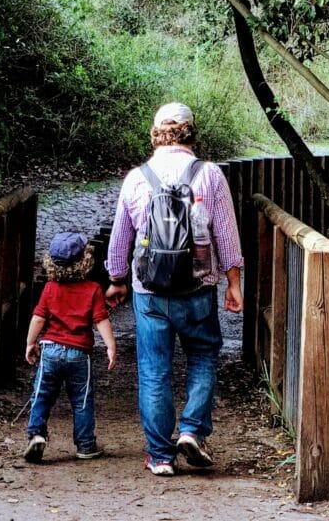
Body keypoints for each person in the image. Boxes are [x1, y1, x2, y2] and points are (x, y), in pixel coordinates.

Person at [105, 102, 244, 477]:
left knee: (154, 370)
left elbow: (120, 240)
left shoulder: (137, 177)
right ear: (191, 132)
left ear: (156, 133)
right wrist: (234, 283)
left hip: (149, 291)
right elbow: (227, 236)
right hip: (197, 287)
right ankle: (192, 431)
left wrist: (117, 280)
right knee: (203, 355)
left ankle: (160, 456)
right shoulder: (210, 175)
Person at [23, 231, 117, 463]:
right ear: (85, 260)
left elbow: (38, 318)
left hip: (51, 351)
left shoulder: (50, 289)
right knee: (82, 400)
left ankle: (36, 435)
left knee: (41, 395)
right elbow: (100, 319)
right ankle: (85, 445)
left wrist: (30, 343)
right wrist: (110, 346)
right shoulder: (93, 289)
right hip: (79, 354)